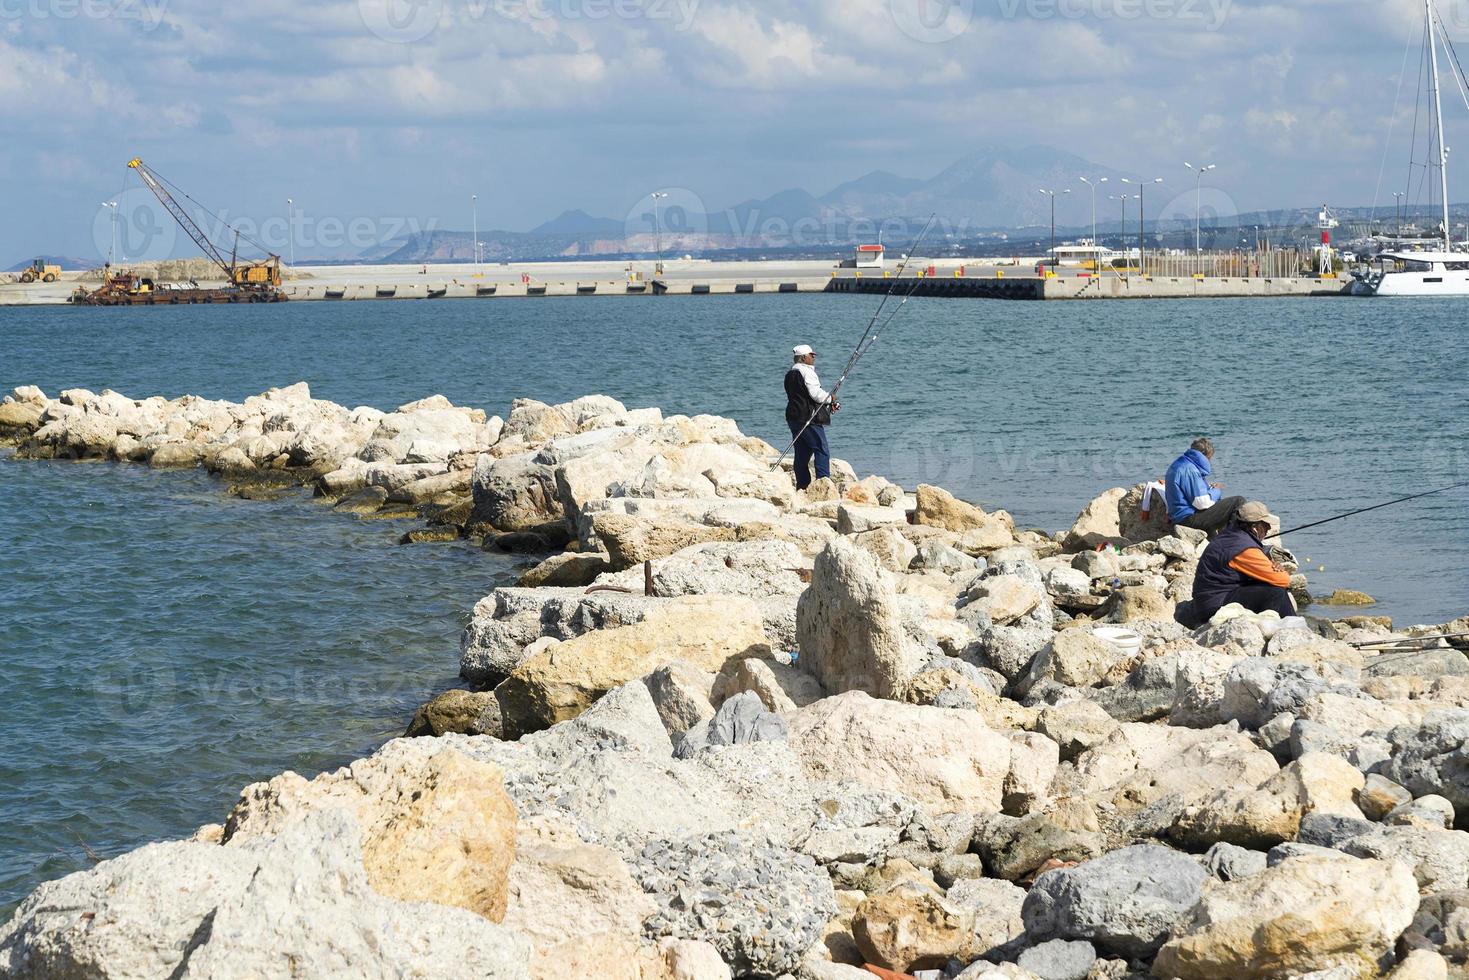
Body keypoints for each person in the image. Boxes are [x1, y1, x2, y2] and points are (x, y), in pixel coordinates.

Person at [1192, 500, 1297, 620]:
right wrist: (1277, 571)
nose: (1268, 528)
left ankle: (1291, 626)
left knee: (1270, 585)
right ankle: (1292, 627)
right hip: (1214, 606)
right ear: (1254, 527)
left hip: (1210, 599)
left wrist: (1269, 567)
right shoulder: (1243, 548)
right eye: (1265, 524)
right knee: (1276, 592)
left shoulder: (1232, 534)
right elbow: (1283, 580)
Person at [784, 344, 838, 490]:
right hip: (808, 418)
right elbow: (816, 394)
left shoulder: (790, 373)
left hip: (793, 417)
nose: (814, 357)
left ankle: (802, 486)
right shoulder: (807, 372)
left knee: (802, 452)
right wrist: (831, 399)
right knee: (821, 448)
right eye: (811, 355)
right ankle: (823, 484)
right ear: (803, 357)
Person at [1165, 437, 1245, 536]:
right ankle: (1233, 538)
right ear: (1205, 456)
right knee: (1238, 501)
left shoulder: (1180, 464)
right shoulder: (1190, 470)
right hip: (1187, 520)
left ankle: (1224, 537)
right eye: (1210, 458)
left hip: (1179, 517)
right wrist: (1216, 490)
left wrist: (1209, 489)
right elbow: (1202, 503)